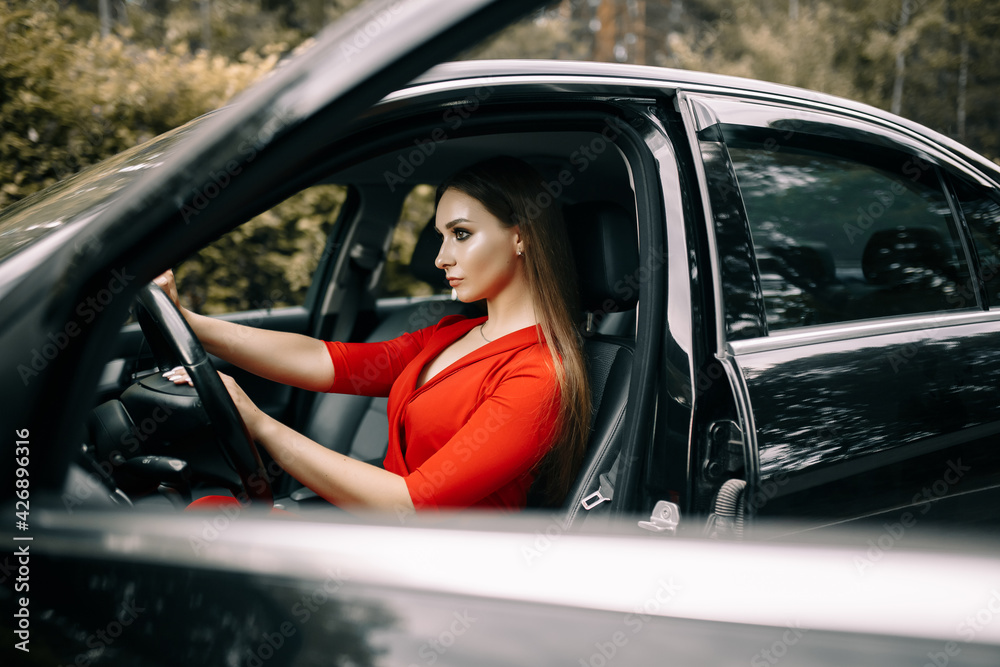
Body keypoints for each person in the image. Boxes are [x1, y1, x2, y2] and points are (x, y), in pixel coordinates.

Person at [155, 156, 590, 515]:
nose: (441, 257)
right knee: (203, 512)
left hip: (437, 566)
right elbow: (325, 361)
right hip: (375, 533)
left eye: (461, 234)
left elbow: (411, 505)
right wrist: (188, 320)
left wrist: (260, 424)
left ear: (521, 237)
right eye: (440, 237)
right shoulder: (450, 334)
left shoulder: (540, 376)